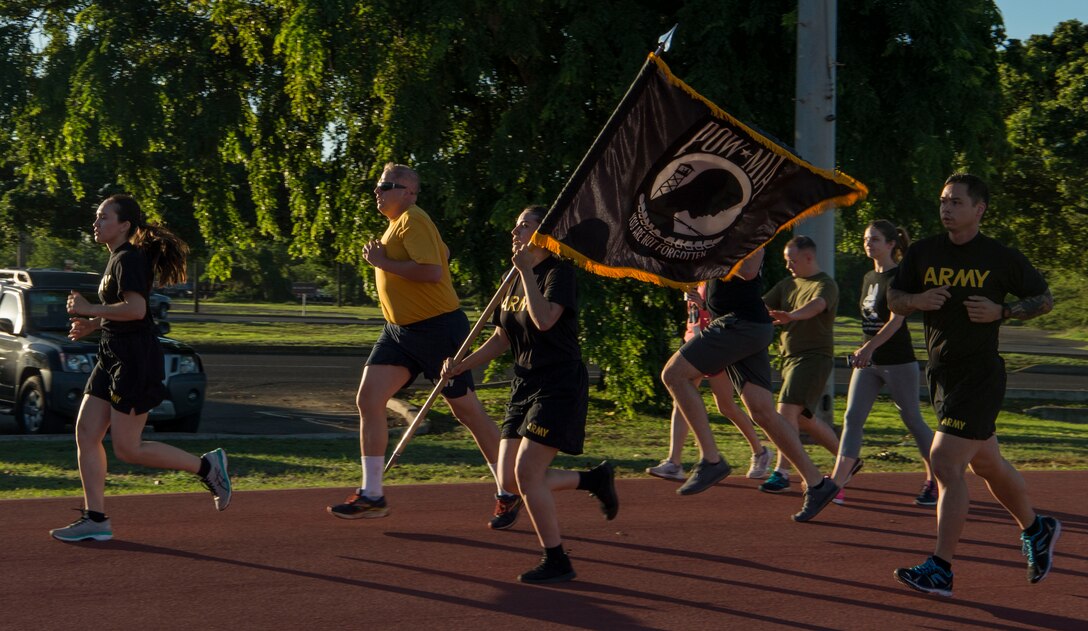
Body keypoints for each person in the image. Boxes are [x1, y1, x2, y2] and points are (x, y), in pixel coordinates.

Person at [889, 173, 1060, 597]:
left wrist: (1002, 311)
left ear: (979, 209)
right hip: (941, 375)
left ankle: (941, 569)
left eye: (956, 202)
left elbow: (1044, 300)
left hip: (981, 374)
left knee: (945, 462)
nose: (947, 208)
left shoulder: (1001, 257)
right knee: (986, 465)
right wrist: (915, 301)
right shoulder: (924, 252)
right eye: (943, 200)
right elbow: (894, 298)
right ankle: (1037, 529)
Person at [327, 163, 512, 525]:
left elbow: (433, 272)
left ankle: (508, 490)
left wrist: (381, 261)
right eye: (378, 184)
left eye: (386, 185)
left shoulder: (415, 219)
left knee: (467, 411)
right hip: (399, 332)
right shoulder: (398, 225)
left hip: (437, 329)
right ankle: (372, 494)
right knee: (368, 398)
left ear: (409, 192)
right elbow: (442, 254)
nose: (377, 191)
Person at [443, 206, 618, 584]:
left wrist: (524, 270)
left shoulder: (558, 273)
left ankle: (557, 560)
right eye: (516, 223)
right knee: (509, 479)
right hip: (524, 383)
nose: (515, 229)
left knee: (527, 473)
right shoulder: (513, 280)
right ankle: (593, 481)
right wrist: (461, 364)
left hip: (558, 383)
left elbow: (544, 320)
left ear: (544, 235)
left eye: (525, 224)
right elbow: (502, 337)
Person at [50, 194, 231, 542]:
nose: (96, 223)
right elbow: (132, 315)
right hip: (112, 354)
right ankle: (96, 518)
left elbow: (135, 309)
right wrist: (94, 325)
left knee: (128, 449)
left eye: (104, 217)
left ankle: (208, 468)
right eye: (97, 217)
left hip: (134, 361)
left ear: (124, 226)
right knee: (86, 433)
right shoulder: (118, 258)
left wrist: (91, 309)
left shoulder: (128, 259)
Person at [660, 249, 839, 522]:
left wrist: (709, 257)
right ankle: (817, 484)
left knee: (674, 375)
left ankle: (711, 459)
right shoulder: (725, 234)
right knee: (762, 411)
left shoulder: (753, 232)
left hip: (742, 325)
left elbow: (747, 271)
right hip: (741, 324)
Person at [831, 220, 935, 506]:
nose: (868, 243)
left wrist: (868, 348)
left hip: (898, 361)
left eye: (875, 239)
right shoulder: (868, 277)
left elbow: (895, 321)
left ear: (891, 244)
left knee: (912, 420)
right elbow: (869, 322)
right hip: (870, 361)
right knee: (852, 418)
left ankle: (936, 479)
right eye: (866, 239)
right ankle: (837, 483)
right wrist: (865, 349)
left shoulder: (899, 277)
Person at [646, 283, 772, 481]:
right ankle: (674, 462)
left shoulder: (717, 281)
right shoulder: (695, 282)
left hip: (716, 344)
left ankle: (760, 451)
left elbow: (725, 313)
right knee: (681, 401)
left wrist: (703, 304)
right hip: (694, 342)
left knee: (726, 406)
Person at [760, 236, 841, 494]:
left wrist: (791, 316)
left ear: (808, 257)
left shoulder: (825, 284)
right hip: (789, 358)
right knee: (804, 419)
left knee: (784, 412)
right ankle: (847, 458)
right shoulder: (786, 284)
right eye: (786, 261)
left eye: (791, 260)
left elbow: (817, 306)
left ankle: (782, 473)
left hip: (813, 358)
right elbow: (760, 306)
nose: (788, 266)